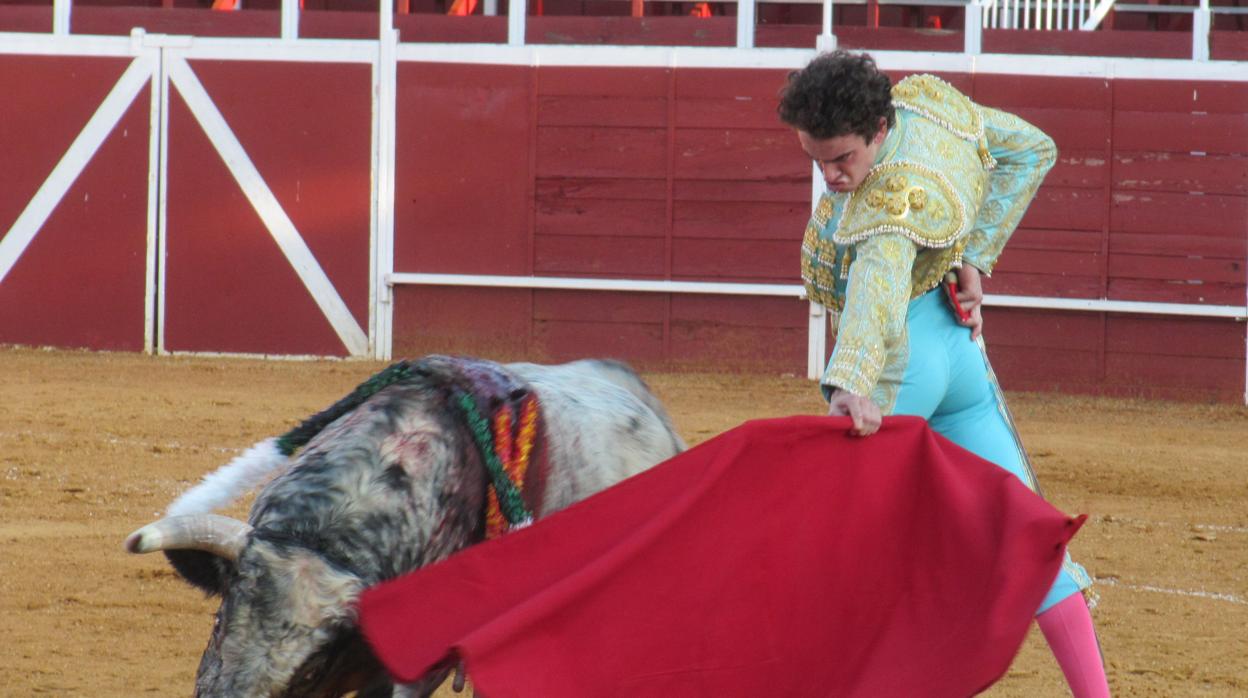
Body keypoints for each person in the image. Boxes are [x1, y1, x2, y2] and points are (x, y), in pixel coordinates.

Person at [778, 50, 1111, 697]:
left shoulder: (888, 205)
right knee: (1030, 533)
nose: (832, 176)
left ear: (877, 129)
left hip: (901, 361)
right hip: (960, 350)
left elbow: (875, 289)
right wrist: (974, 256)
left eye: (842, 158)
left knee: (837, 547)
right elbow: (1032, 150)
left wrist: (851, 383)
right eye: (817, 160)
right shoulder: (932, 111)